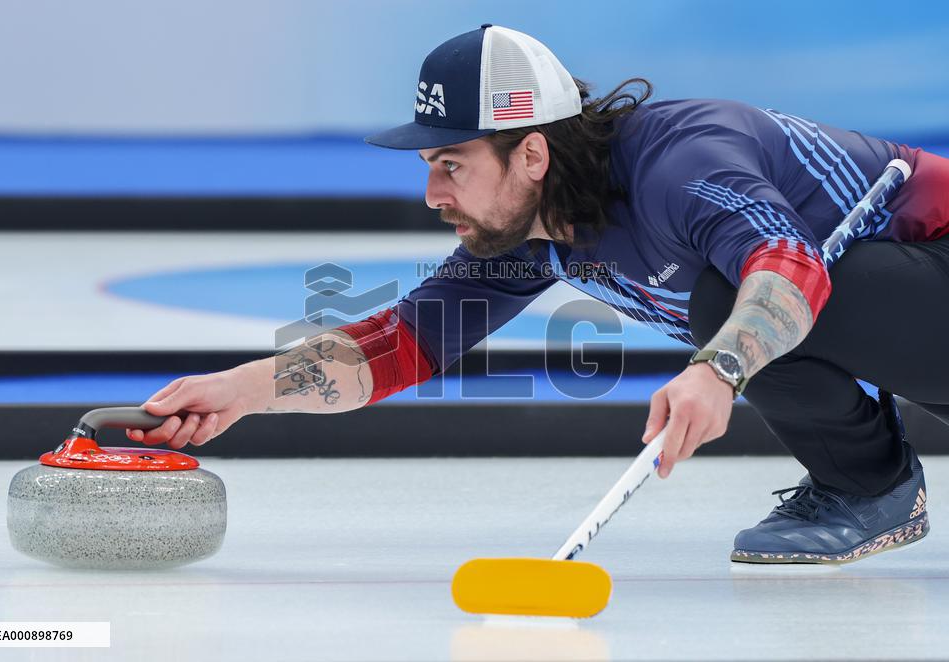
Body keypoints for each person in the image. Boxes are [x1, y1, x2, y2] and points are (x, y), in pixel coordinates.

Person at [127, 25, 949, 564]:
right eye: (427, 168)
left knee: (721, 304)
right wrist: (241, 391)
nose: (432, 196)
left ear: (531, 154)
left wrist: (719, 371)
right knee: (718, 309)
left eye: (451, 165)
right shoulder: (528, 234)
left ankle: (867, 488)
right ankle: (867, 481)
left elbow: (791, 267)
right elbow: (399, 347)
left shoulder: (681, 167)